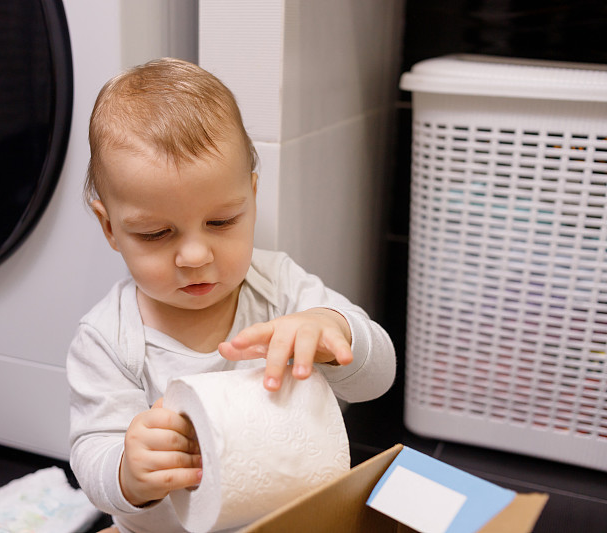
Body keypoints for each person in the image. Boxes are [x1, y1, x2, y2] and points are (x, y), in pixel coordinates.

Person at [67, 57, 396, 533]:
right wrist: (126, 470)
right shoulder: (108, 338)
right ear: (110, 227)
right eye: (157, 233)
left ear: (253, 197)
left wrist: (333, 327)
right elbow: (92, 458)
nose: (196, 255)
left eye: (221, 222)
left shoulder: (282, 288)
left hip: (282, 521)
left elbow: (377, 378)